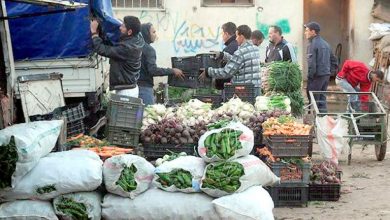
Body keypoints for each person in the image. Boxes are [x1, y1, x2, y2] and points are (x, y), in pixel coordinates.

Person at [199, 25, 262, 96]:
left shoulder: (240, 52)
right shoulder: (255, 49)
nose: (236, 39)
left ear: (241, 36)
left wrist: (208, 71)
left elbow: (226, 72)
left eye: (237, 36)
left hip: (244, 91)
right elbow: (240, 61)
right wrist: (222, 55)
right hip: (256, 88)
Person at [90, 16, 144, 98]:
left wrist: (94, 33)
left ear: (129, 32)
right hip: (129, 88)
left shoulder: (127, 48)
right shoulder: (137, 39)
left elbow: (102, 50)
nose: (120, 27)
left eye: (123, 26)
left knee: (123, 111)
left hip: (126, 92)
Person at [138, 23, 184, 105]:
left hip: (133, 87)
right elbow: (153, 70)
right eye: (153, 32)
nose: (155, 35)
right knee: (146, 114)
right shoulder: (149, 50)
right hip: (144, 89)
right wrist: (172, 71)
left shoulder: (135, 46)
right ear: (146, 33)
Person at [304, 21, 338, 112]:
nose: (305, 33)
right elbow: (334, 60)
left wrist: (310, 78)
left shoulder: (312, 45)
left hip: (316, 77)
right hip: (325, 77)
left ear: (313, 32)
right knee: (322, 100)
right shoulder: (326, 44)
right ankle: (323, 121)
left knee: (314, 101)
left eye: (307, 30)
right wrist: (329, 73)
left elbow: (312, 64)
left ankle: (316, 123)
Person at [214, 22, 239, 90]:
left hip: (229, 86)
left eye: (222, 34)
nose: (222, 36)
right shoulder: (236, 44)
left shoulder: (230, 48)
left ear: (226, 34)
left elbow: (226, 70)